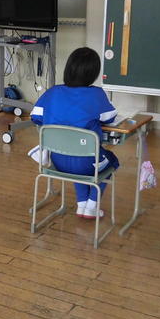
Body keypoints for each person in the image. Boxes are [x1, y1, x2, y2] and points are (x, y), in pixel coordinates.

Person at [30, 47, 120, 219]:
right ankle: (91, 206)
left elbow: (35, 117)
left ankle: (81, 205)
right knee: (111, 162)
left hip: (57, 160)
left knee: (76, 153)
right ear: (93, 73)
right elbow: (109, 118)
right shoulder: (96, 94)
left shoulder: (53, 92)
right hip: (88, 163)